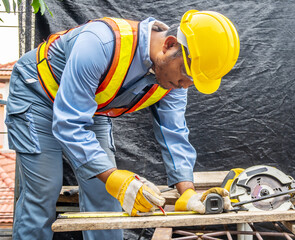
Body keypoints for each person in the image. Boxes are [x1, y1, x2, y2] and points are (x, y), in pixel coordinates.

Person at [6, 10, 240, 240]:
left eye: (193, 81)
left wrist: (188, 193)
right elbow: (69, 123)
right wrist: (115, 178)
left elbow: (174, 134)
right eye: (186, 73)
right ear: (169, 45)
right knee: (44, 190)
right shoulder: (100, 43)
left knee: (105, 193)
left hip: (90, 106)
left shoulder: (174, 80)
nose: (185, 84)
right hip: (38, 95)